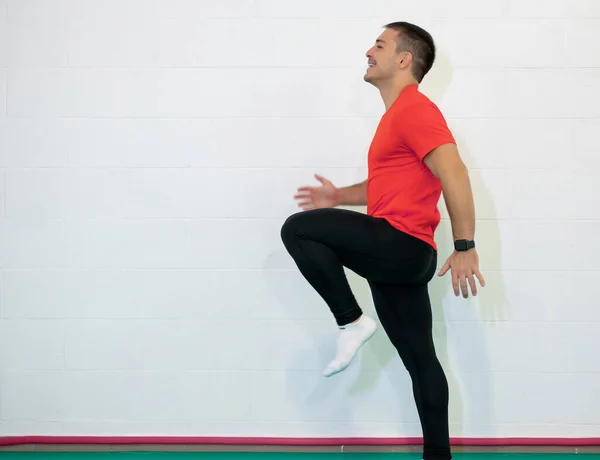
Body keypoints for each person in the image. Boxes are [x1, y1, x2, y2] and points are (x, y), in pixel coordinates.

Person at [280, 21, 485, 460]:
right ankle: (439, 456)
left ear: (404, 60)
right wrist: (338, 197)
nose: (369, 52)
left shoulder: (415, 109)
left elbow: (455, 171)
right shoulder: (397, 117)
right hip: (404, 254)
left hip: (400, 244)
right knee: (421, 362)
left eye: (379, 45)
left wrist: (465, 245)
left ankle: (351, 321)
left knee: (297, 229)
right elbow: (386, 187)